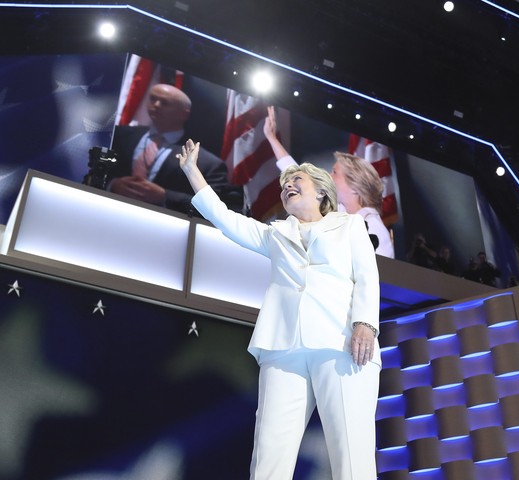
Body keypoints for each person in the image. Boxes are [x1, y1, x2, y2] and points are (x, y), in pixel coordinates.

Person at [178, 139, 381, 479]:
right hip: (282, 346)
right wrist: (192, 171)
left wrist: (365, 323)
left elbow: (367, 277)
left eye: (296, 181)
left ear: (321, 193)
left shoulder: (350, 226)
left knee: (351, 449)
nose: (287, 186)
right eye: (284, 184)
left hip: (343, 342)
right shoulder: (274, 234)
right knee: (270, 450)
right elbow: (225, 219)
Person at [263, 106, 395, 259]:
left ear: (355, 187)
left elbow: (380, 279)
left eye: (335, 172)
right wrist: (271, 137)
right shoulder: (338, 213)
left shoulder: (375, 230)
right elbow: (296, 174)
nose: (328, 176)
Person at [109, 83, 232, 215]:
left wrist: (164, 196)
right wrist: (111, 184)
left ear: (184, 114)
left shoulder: (207, 163)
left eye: (165, 103)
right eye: (153, 99)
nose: (156, 105)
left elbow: (213, 209)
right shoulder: (119, 135)